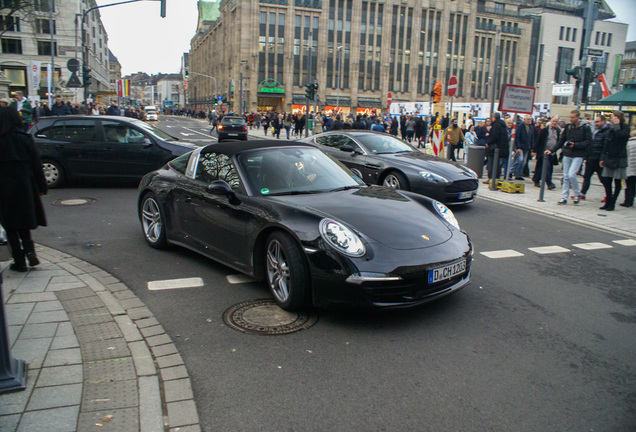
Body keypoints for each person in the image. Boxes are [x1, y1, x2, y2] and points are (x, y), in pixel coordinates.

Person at [0, 106, 48, 272]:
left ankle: (19, 261)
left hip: (4, 187)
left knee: (10, 225)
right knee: (24, 222)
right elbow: (37, 165)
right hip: (24, 185)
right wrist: (42, 186)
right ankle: (29, 251)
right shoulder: (25, 139)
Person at [546, 109, 592, 205]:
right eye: (570, 117)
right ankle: (564, 197)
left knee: (571, 174)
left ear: (578, 117)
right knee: (566, 176)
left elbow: (588, 142)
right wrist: (552, 150)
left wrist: (575, 145)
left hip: (578, 154)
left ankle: (577, 194)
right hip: (567, 153)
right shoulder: (569, 127)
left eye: (572, 117)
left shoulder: (585, 128)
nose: (570, 119)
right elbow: (561, 140)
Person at [599, 110, 630, 211]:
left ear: (618, 118)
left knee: (617, 182)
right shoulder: (610, 130)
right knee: (607, 181)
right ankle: (608, 200)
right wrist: (602, 158)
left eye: (613, 117)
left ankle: (612, 202)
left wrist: (617, 125)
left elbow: (620, 136)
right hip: (609, 158)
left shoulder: (625, 128)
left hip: (619, 158)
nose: (611, 119)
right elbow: (607, 145)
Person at [580, 114, 610, 200]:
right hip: (591, 157)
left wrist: (602, 158)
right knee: (586, 177)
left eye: (597, 121)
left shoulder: (606, 132)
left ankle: (608, 195)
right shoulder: (595, 131)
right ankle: (582, 193)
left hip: (599, 159)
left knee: (603, 179)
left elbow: (605, 146)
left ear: (603, 122)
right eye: (595, 122)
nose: (595, 123)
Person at [533, 116, 559, 190]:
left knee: (544, 168)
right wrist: (534, 150)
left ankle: (536, 179)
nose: (554, 123)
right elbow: (539, 140)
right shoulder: (545, 130)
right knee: (546, 168)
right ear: (550, 121)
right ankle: (549, 183)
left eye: (556, 121)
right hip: (544, 152)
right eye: (553, 121)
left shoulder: (557, 131)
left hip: (552, 153)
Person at [509, 115, 534, 181]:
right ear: (524, 119)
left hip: (527, 147)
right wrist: (518, 147)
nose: (529, 121)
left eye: (530, 119)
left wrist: (532, 148)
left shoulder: (531, 127)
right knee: (519, 160)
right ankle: (510, 171)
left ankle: (518, 175)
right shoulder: (520, 127)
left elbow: (531, 138)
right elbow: (517, 137)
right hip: (520, 147)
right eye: (528, 119)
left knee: (523, 162)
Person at [485, 112, 509, 181]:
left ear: (494, 118)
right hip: (501, 148)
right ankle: (496, 177)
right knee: (497, 163)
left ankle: (491, 179)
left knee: (491, 163)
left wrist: (488, 142)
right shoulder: (502, 125)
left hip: (494, 148)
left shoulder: (496, 125)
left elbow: (495, 136)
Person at [619, 129, 636, 207]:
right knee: (634, 185)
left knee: (628, 185)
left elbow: (626, 155)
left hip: (629, 167)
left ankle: (628, 201)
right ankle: (632, 199)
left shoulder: (628, 143)